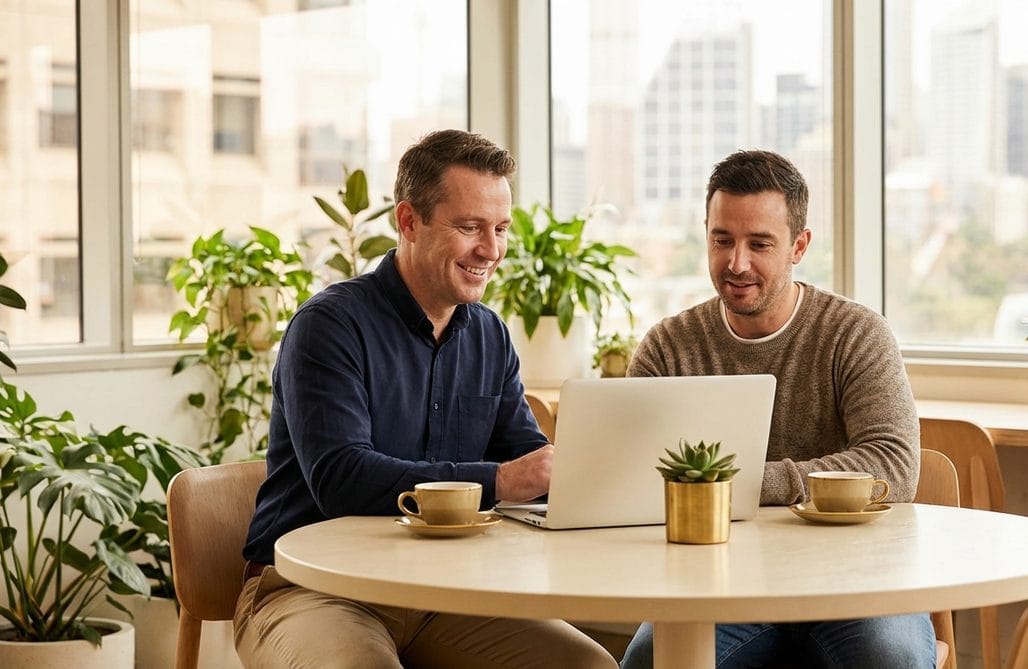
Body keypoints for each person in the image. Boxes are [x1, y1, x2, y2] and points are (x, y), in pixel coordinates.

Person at [234, 129, 617, 669]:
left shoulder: (490, 335)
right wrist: (501, 481)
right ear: (408, 221)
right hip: (313, 589)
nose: (492, 249)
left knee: (588, 666)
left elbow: (526, 463)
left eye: (501, 228)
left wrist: (587, 478)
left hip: (446, 593)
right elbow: (342, 478)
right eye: (469, 228)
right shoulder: (329, 327)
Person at [619, 150, 933, 669]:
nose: (737, 263)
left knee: (890, 660)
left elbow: (894, 468)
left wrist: (736, 484)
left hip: (855, 582)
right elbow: (635, 481)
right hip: (717, 588)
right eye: (722, 240)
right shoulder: (667, 348)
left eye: (759, 244)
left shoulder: (855, 334)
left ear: (799, 246)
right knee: (649, 662)